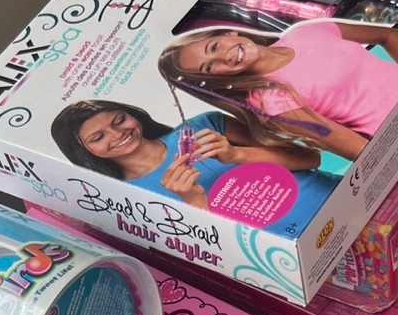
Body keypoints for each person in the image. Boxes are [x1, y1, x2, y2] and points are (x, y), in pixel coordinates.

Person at [51, 98, 340, 232]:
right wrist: (195, 202)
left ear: (133, 112)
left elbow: (310, 157)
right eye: (98, 137)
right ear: (83, 152)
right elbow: (223, 256)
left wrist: (236, 155)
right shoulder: (124, 201)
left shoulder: (204, 126)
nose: (117, 134)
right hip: (303, 253)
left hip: (342, 200)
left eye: (119, 120)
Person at [157, 21, 398, 161]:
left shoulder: (305, 32)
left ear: (228, 33)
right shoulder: (270, 101)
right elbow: (360, 150)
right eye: (209, 68)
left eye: (214, 47)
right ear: (214, 80)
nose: (223, 57)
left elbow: (389, 36)